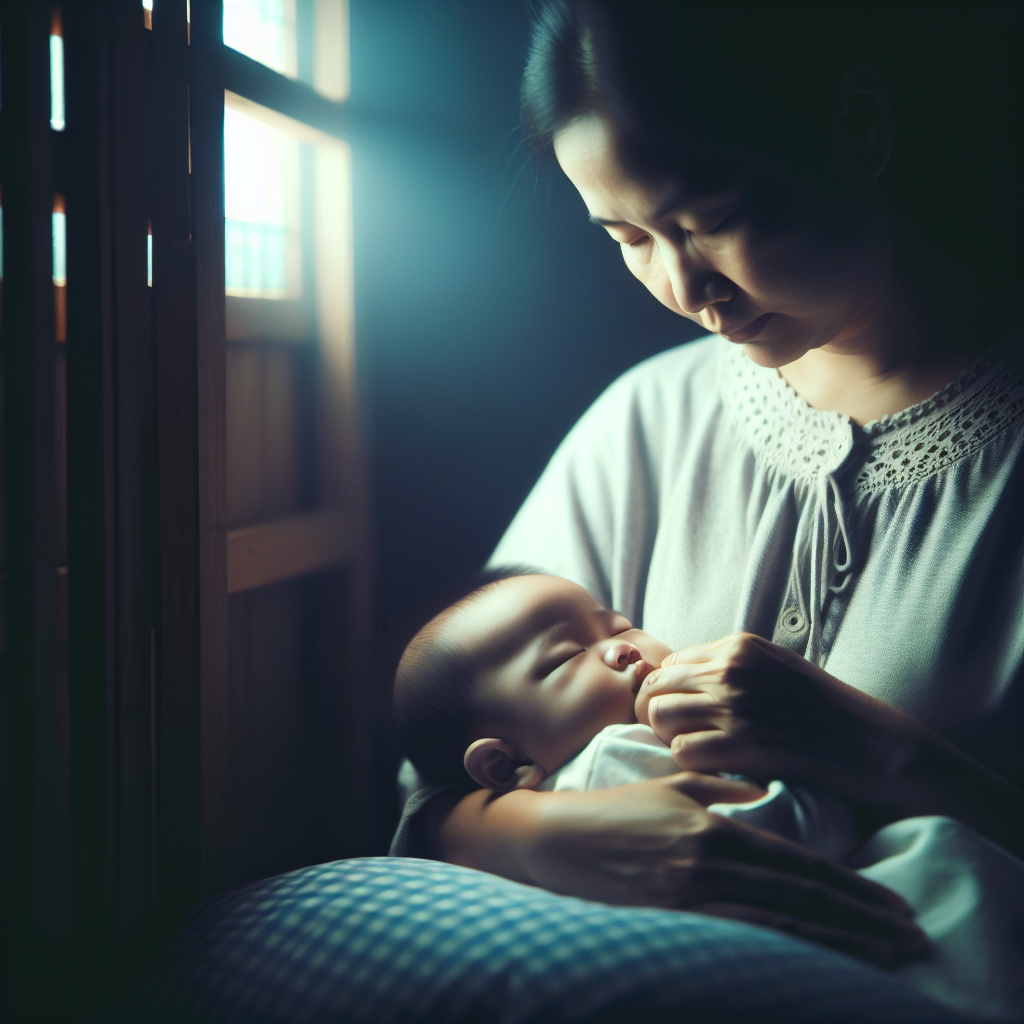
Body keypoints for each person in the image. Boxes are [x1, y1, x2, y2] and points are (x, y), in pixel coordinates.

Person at [394, 0, 1024, 975]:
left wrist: (889, 759)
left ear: (857, 128)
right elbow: (432, 778)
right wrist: (545, 835)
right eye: (627, 237)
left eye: (713, 220)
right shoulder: (643, 424)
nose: (687, 288)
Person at [394, 572, 1024, 1019]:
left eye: (619, 624)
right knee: (946, 859)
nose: (622, 647)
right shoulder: (616, 758)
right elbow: (797, 837)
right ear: (507, 764)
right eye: (566, 660)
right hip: (862, 935)